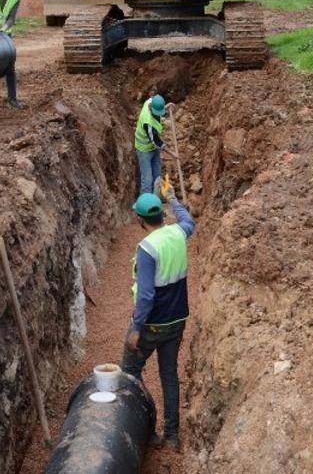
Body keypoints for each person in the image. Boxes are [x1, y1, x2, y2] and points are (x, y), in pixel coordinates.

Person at [122, 188, 195, 451]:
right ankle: (172, 435)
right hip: (177, 320)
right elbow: (188, 221)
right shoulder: (178, 232)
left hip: (152, 325)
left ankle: (149, 430)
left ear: (140, 220)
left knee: (130, 372)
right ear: (163, 215)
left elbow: (146, 296)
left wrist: (135, 328)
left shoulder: (147, 249)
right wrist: (173, 198)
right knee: (169, 374)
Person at [133, 94, 174, 195]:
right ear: (151, 109)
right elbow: (156, 141)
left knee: (157, 176)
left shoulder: (150, 101)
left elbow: (157, 105)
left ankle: (157, 198)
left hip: (153, 148)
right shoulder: (148, 123)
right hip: (143, 150)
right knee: (147, 180)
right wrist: (172, 153)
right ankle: (145, 202)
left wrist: (165, 107)